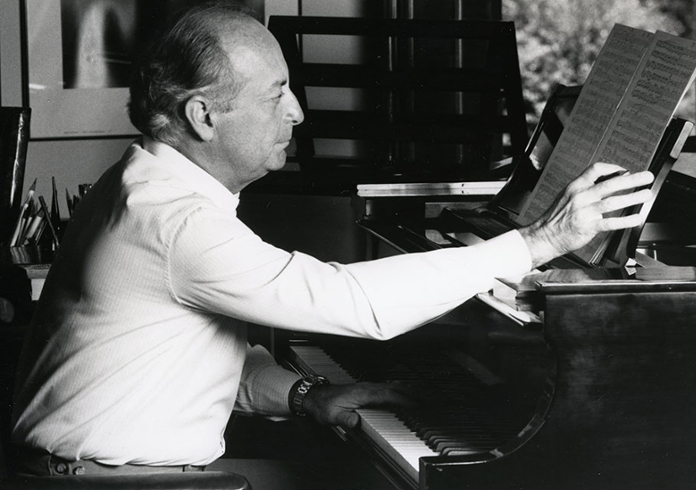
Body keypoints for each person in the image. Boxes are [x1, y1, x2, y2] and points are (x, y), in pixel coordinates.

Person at [10, 1, 654, 486]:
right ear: (204, 116)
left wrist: (304, 395)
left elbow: (177, 357)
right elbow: (355, 306)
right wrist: (539, 241)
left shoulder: (142, 183)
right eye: (275, 95)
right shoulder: (176, 221)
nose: (296, 113)